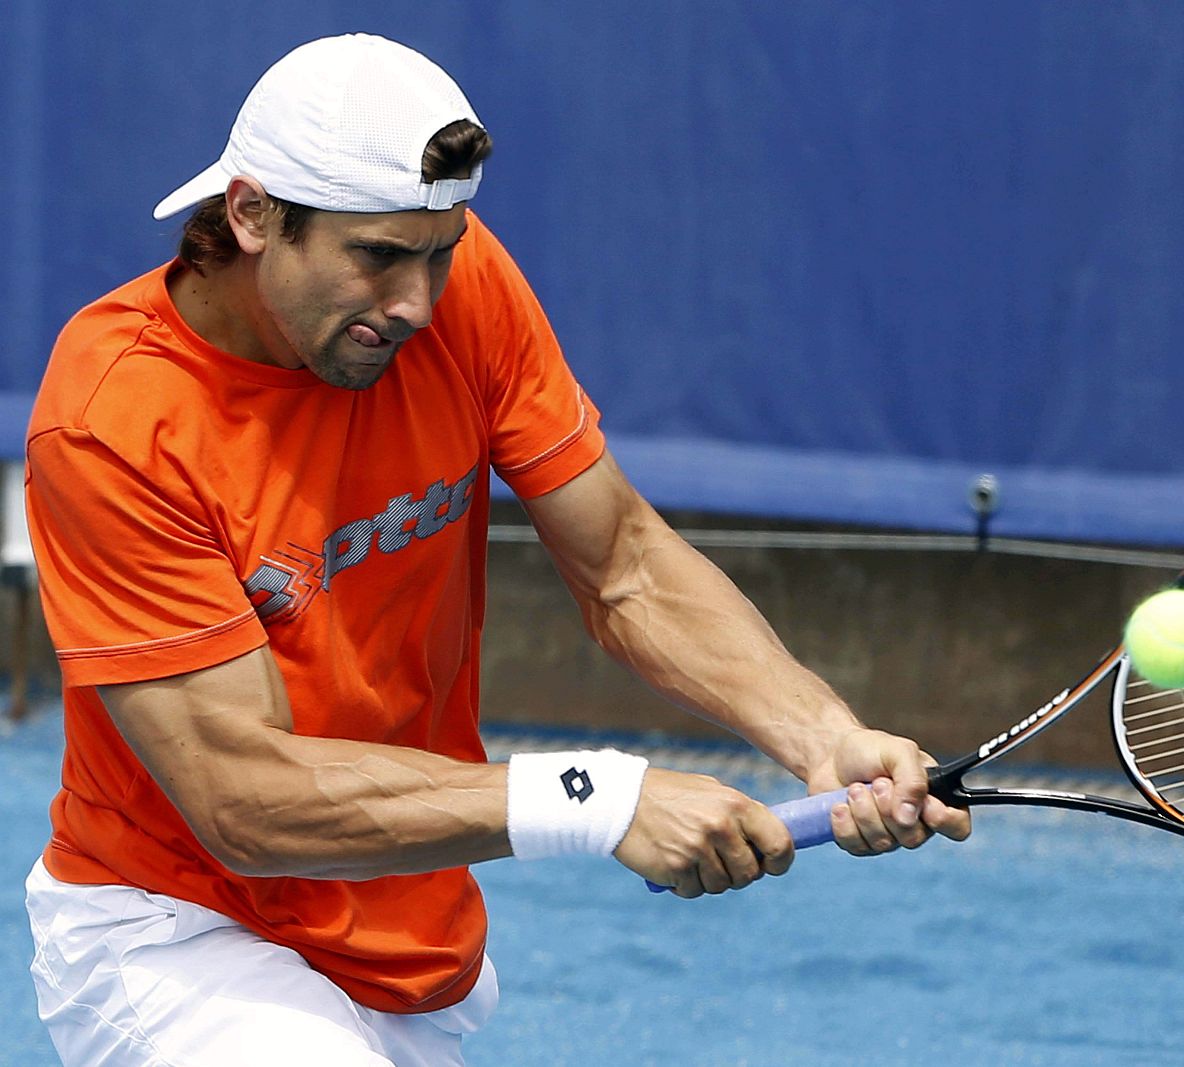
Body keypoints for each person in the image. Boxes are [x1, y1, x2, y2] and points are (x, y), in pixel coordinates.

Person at [22, 33, 969, 1067]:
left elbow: (626, 566)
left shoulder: (453, 290)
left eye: (442, 251)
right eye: (378, 255)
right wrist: (596, 797)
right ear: (252, 214)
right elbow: (239, 792)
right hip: (175, 930)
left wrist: (818, 733)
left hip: (408, 940)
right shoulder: (113, 418)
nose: (417, 303)